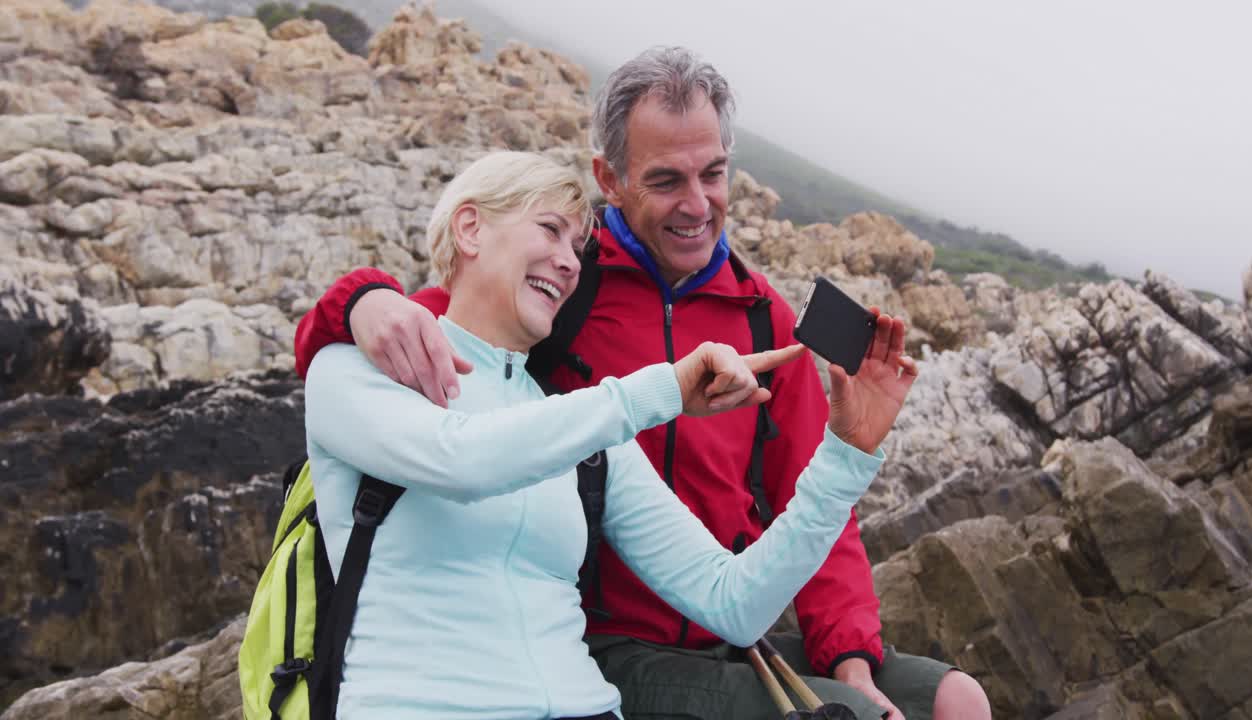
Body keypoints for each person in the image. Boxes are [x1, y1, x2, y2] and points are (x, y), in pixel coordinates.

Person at [295, 48, 991, 720]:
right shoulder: (554, 310)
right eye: (665, 181)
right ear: (613, 179)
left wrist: (848, 633)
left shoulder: (760, 321)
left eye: (712, 174)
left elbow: (755, 569)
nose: (696, 204)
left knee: (953, 701)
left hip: (687, 645)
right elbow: (449, 366)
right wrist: (359, 301)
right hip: (613, 648)